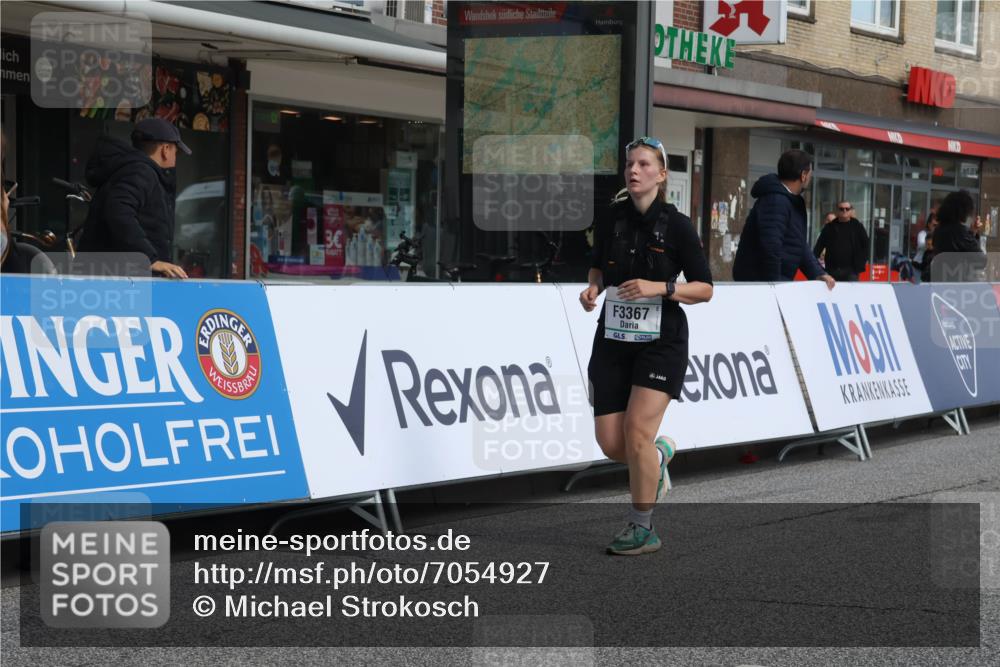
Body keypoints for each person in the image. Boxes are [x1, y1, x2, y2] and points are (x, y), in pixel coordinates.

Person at [579, 136, 714, 556]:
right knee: (611, 443)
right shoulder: (612, 218)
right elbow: (599, 262)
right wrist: (593, 288)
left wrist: (661, 286)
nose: (633, 171)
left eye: (643, 165)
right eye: (629, 165)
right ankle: (657, 456)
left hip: (661, 341)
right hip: (613, 339)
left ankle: (642, 527)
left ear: (661, 174)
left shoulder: (677, 225)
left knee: (636, 431)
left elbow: (706, 288)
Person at [76, 118, 190, 278]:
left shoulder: (134, 170)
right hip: (122, 279)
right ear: (165, 149)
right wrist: (149, 259)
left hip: (120, 276)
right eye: (175, 152)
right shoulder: (140, 172)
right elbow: (119, 211)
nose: (175, 159)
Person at [732, 149, 835, 289]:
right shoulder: (776, 201)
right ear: (803, 175)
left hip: (773, 282)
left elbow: (798, 243)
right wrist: (776, 286)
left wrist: (817, 273)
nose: (810, 177)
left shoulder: (790, 200)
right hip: (761, 285)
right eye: (810, 172)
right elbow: (771, 247)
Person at [928, 190, 987, 283]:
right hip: (959, 285)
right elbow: (981, 260)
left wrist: (972, 232)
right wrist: (972, 235)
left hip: (940, 282)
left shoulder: (939, 230)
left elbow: (958, 247)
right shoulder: (959, 231)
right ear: (963, 211)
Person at [812, 200, 869, 281]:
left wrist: (861, 262)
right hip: (832, 270)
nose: (844, 211)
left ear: (851, 210)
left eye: (847, 209)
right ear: (837, 211)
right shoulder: (829, 227)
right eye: (841, 209)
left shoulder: (858, 227)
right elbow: (818, 247)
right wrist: (817, 267)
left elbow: (866, 245)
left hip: (851, 272)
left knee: (850, 293)